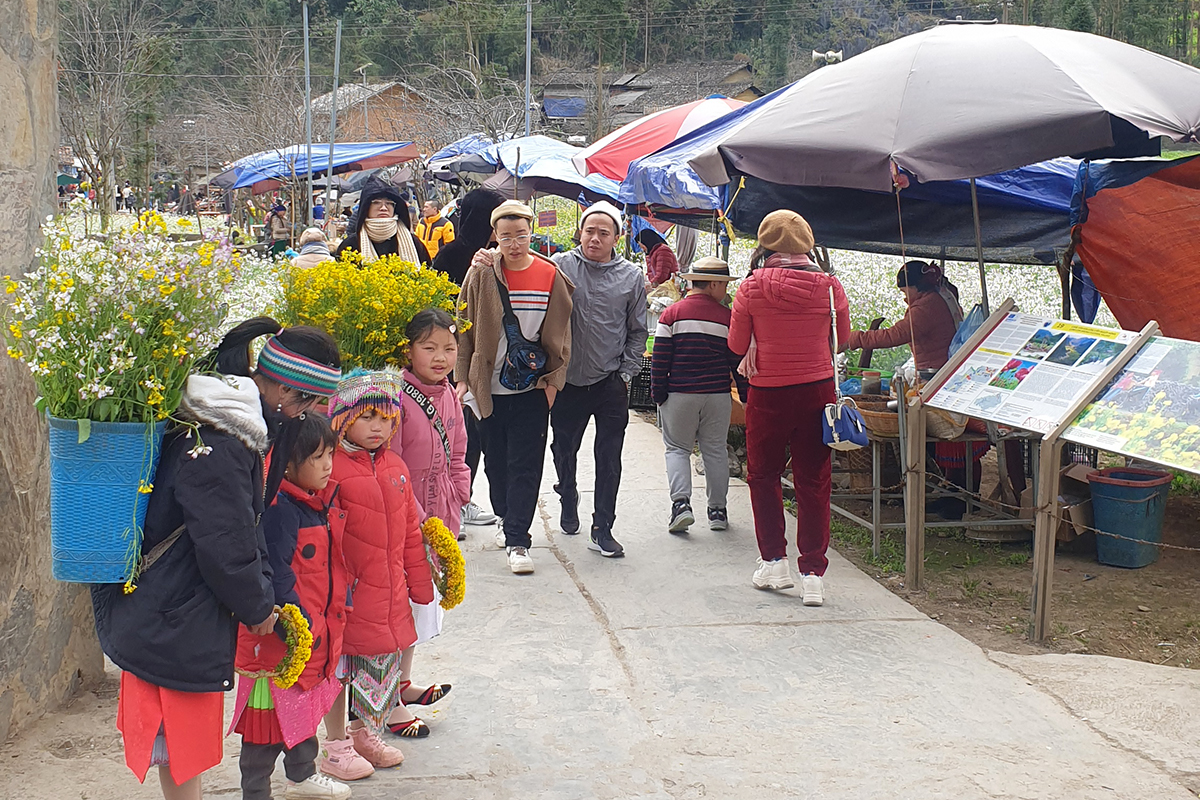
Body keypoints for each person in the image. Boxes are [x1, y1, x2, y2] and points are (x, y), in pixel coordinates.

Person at [91, 318, 342, 800]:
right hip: (173, 602)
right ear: (283, 386)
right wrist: (257, 605)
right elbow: (225, 542)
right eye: (305, 401)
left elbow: (248, 526)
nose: (305, 413)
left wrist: (262, 591)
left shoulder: (241, 423)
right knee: (181, 733)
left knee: (181, 739)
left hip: (176, 599)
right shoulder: (221, 442)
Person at [729, 210, 848, 607]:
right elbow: (842, 340)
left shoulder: (751, 288)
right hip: (817, 393)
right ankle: (812, 574)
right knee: (814, 482)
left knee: (763, 475)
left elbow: (734, 344)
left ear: (765, 244)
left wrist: (758, 339)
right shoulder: (831, 288)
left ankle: (774, 562)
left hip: (767, 393)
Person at [320, 371, 436, 779]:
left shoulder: (395, 466)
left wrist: (420, 586)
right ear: (342, 417)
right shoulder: (328, 468)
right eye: (368, 417)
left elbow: (409, 534)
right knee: (337, 672)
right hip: (343, 595)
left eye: (387, 419)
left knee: (376, 669)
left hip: (386, 592)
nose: (378, 427)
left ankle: (363, 732)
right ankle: (335, 747)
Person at [231, 412, 351, 800]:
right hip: (278, 645)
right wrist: (296, 625)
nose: (327, 465)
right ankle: (256, 790)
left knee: (304, 712)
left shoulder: (316, 503)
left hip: (311, 635)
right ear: (288, 461)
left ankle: (302, 776)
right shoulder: (280, 510)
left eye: (330, 454)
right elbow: (277, 575)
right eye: (317, 457)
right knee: (264, 729)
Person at [456, 200, 574, 575]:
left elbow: (562, 332)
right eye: (506, 236)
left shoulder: (549, 274)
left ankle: (519, 540)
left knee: (526, 463)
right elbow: (463, 324)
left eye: (521, 235)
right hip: (486, 387)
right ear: (496, 237)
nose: (514, 244)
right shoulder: (481, 273)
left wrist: (553, 381)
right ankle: (506, 517)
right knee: (495, 463)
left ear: (531, 233)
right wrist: (462, 377)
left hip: (532, 387)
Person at [845, 260, 985, 520]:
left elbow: (893, 336)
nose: (904, 297)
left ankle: (959, 499)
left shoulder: (927, 307)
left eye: (904, 291)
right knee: (945, 441)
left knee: (946, 440)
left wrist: (853, 339)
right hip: (944, 377)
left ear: (916, 287)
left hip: (940, 380)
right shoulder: (944, 295)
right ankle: (954, 495)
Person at [550, 201, 648, 559]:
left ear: (616, 238)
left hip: (610, 381)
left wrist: (625, 373)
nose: (594, 238)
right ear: (580, 232)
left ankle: (603, 526)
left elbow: (639, 330)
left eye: (603, 232)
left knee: (609, 457)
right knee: (564, 449)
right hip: (567, 381)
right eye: (589, 230)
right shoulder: (560, 267)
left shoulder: (631, 276)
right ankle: (568, 492)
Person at [384, 310, 466, 736]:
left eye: (449, 349)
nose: (440, 357)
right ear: (409, 350)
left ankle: (402, 683)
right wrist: (417, 519)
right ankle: (384, 702)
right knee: (395, 607)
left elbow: (459, 452)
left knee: (420, 601)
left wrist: (460, 492)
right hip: (405, 519)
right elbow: (392, 465)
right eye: (429, 348)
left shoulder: (449, 393)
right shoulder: (396, 397)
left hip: (441, 513)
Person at [651, 257, 747, 534]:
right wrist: (744, 396)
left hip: (680, 393)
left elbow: (660, 359)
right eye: (725, 286)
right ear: (714, 284)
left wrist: (659, 394)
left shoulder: (671, 315)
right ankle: (718, 512)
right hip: (717, 395)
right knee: (714, 450)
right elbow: (737, 363)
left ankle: (681, 506)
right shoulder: (728, 318)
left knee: (677, 449)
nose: (726, 293)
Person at [432, 188, 507, 527]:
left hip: (492, 359)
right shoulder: (450, 256)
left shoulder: (500, 255)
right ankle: (457, 502)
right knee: (461, 434)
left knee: (484, 435)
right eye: (494, 217)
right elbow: (439, 306)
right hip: (456, 359)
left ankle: (470, 500)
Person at [333, 176, 430, 265]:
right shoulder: (351, 244)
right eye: (376, 203)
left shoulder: (413, 242)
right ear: (366, 207)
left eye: (389, 203)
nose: (383, 208)